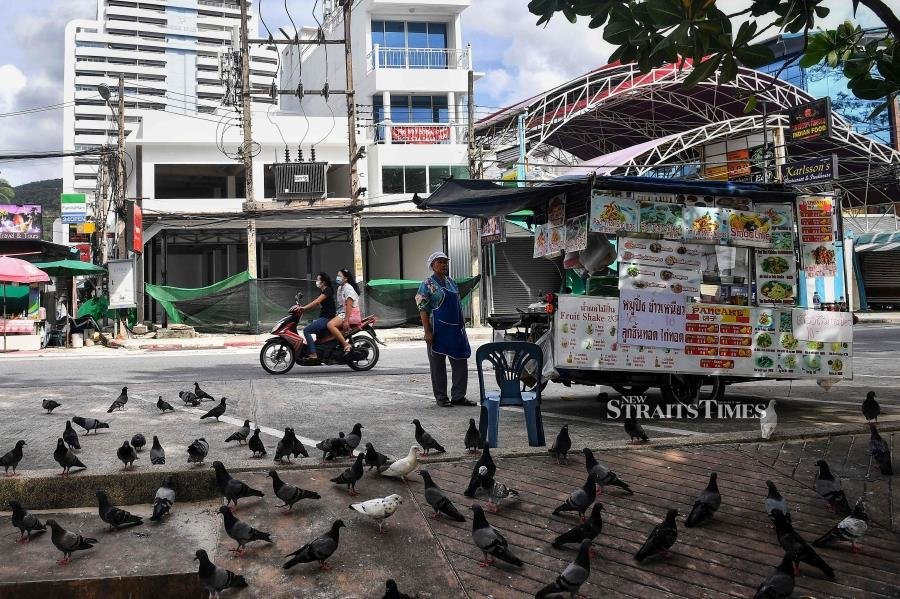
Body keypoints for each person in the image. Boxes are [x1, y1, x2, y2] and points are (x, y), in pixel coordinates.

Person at [417, 251, 475, 408]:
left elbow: (458, 305)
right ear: (432, 265)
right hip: (437, 330)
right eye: (440, 262)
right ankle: (441, 397)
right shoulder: (427, 284)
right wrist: (427, 332)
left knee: (460, 361)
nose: (443, 265)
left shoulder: (452, 282)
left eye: (445, 262)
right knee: (437, 365)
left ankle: (458, 396)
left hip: (455, 329)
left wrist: (462, 327)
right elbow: (423, 308)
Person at [300, 272, 336, 363]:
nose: (316, 282)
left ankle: (313, 354)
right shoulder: (323, 291)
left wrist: (304, 308)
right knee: (318, 336)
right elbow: (316, 304)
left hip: (327, 317)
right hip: (324, 316)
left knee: (306, 330)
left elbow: (316, 302)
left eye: (318, 280)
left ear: (323, 282)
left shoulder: (327, 290)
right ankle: (319, 352)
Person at [327, 268, 360, 354]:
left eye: (339, 276)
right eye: (337, 275)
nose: (337, 277)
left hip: (350, 315)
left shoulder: (348, 288)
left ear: (346, 278)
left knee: (330, 325)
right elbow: (341, 305)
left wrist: (346, 321)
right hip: (343, 313)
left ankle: (345, 344)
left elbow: (349, 306)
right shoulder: (340, 288)